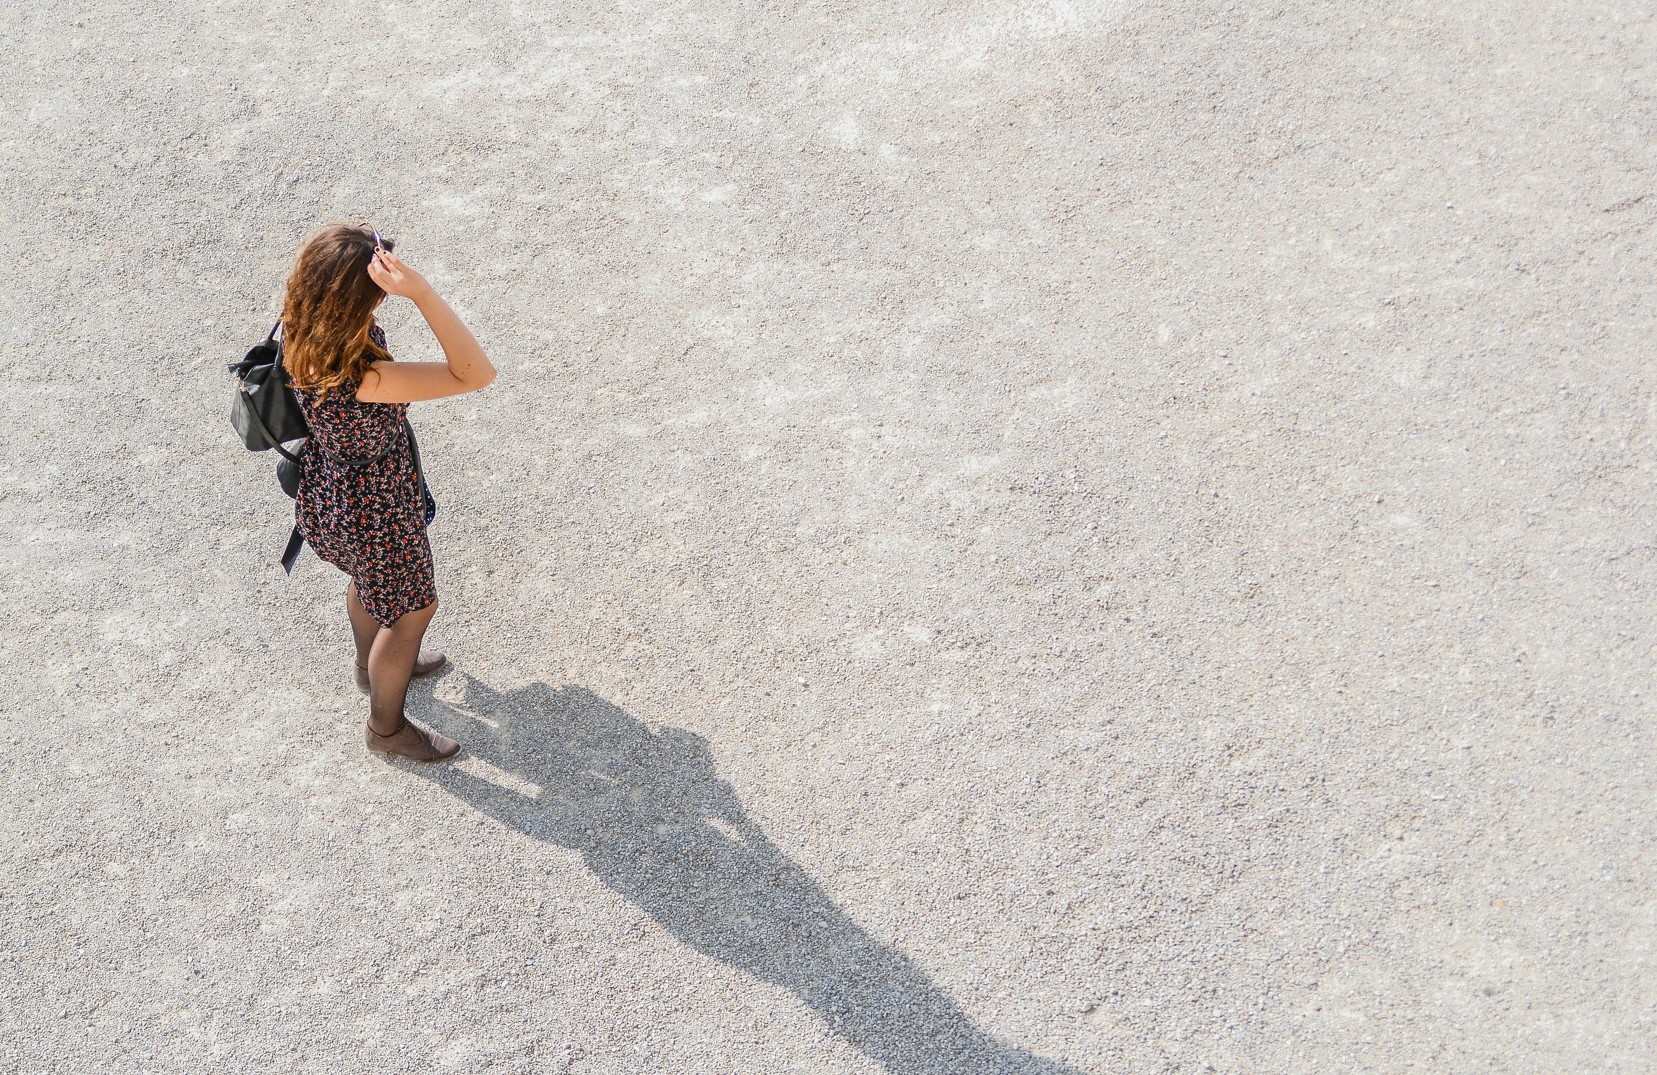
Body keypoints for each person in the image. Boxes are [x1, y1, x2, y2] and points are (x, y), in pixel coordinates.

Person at [279, 223, 497, 762]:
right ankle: (386, 729)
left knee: (372, 586)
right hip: (374, 509)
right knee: (413, 610)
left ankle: (370, 665)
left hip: (332, 495)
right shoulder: (364, 377)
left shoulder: (301, 327)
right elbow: (475, 373)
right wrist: (420, 292)